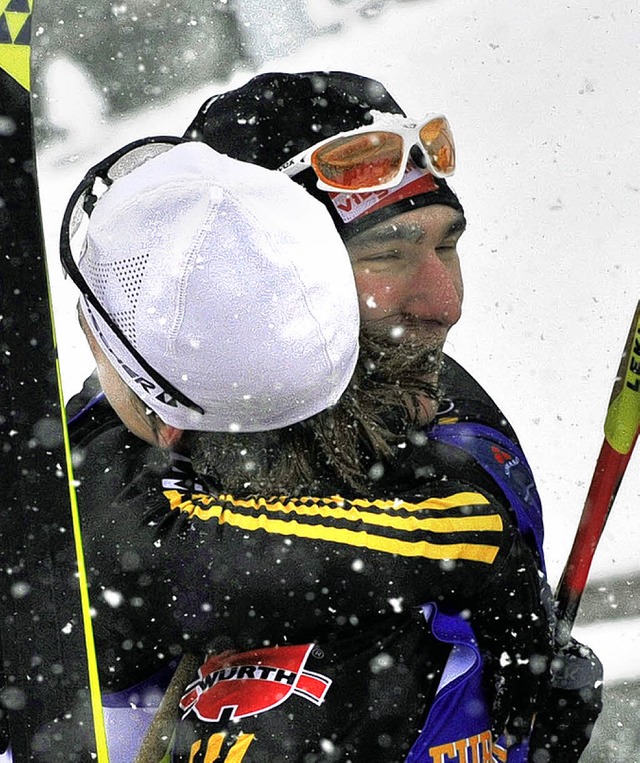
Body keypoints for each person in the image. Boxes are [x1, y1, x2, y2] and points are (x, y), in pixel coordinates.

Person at [3, 72, 599, 762]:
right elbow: (120, 561)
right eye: (387, 254)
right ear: (245, 283)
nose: (445, 302)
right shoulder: (132, 413)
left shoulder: (444, 429)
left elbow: (164, 562)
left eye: (445, 246)